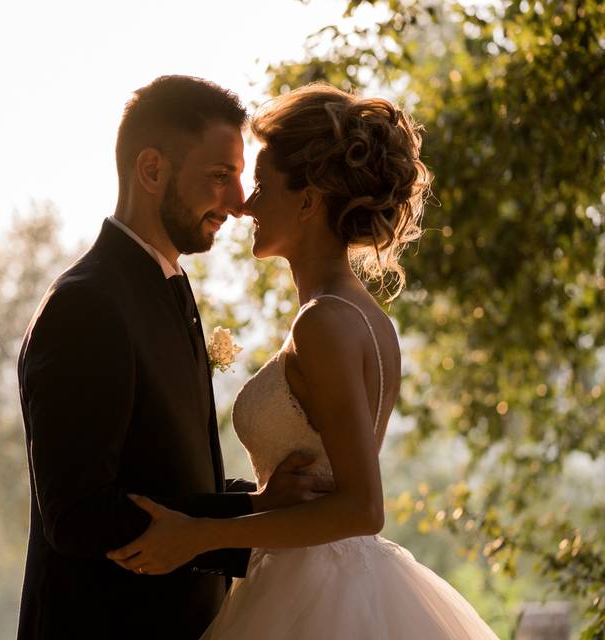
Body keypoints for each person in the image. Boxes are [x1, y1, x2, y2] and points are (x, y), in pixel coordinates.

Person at [107, 83, 500, 639]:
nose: (244, 204)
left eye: (263, 185)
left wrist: (198, 535)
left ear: (310, 201)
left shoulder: (322, 324)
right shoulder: (369, 318)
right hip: (328, 582)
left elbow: (362, 508)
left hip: (312, 596)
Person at [16, 76, 332, 640]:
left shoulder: (173, 288)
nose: (238, 202)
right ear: (152, 170)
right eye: (219, 177)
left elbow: (166, 472)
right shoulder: (86, 305)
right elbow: (79, 514)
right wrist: (244, 520)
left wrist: (262, 503)